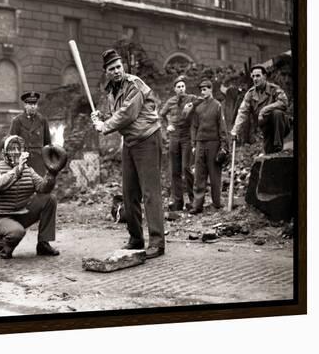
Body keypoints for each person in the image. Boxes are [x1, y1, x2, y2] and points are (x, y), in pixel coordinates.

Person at [91, 48, 164, 259]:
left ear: (123, 67)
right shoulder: (112, 89)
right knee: (129, 192)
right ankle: (136, 239)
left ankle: (157, 243)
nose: (116, 71)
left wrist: (103, 126)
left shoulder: (134, 84)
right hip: (130, 142)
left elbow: (126, 114)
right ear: (106, 71)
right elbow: (116, 113)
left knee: (150, 192)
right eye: (112, 68)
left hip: (147, 139)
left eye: (118, 67)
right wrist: (101, 116)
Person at [0, 135, 60, 259]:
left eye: (18, 148)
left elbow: (43, 188)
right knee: (17, 232)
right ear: (4, 152)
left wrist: (51, 173)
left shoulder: (27, 169)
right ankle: (5, 245)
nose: (16, 152)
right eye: (11, 149)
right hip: (0, 217)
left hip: (22, 213)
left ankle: (43, 244)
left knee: (49, 199)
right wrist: (17, 170)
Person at [188, 79, 228, 215]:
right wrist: (193, 144)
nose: (202, 92)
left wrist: (223, 145)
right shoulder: (198, 107)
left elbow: (222, 127)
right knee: (199, 175)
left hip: (213, 143)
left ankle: (217, 203)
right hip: (200, 143)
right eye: (201, 89)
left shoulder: (217, 105)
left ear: (211, 89)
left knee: (214, 174)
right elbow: (194, 126)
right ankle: (197, 205)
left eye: (205, 89)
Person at [230, 65, 290, 154]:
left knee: (276, 113)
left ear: (265, 76)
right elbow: (242, 112)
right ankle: (273, 150)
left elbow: (284, 103)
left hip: (280, 125)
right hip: (265, 129)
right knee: (269, 155)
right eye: (253, 76)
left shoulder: (274, 89)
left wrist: (264, 110)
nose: (255, 79)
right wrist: (235, 130)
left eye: (258, 76)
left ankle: (278, 145)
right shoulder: (250, 94)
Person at [159, 75, 198, 211]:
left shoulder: (191, 98)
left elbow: (201, 101)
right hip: (174, 137)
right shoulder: (170, 101)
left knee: (186, 168)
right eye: (178, 87)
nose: (181, 89)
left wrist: (192, 105)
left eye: (183, 86)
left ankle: (194, 201)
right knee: (174, 170)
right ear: (175, 89)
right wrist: (167, 127)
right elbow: (160, 115)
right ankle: (178, 202)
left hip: (186, 136)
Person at [9, 91, 52, 176]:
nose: (33, 106)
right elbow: (12, 144)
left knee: (40, 185)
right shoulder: (17, 121)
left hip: (39, 161)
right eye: (30, 104)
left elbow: (47, 143)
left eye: (35, 104)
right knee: (25, 185)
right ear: (25, 105)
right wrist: (16, 162)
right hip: (23, 160)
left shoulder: (42, 120)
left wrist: (48, 162)